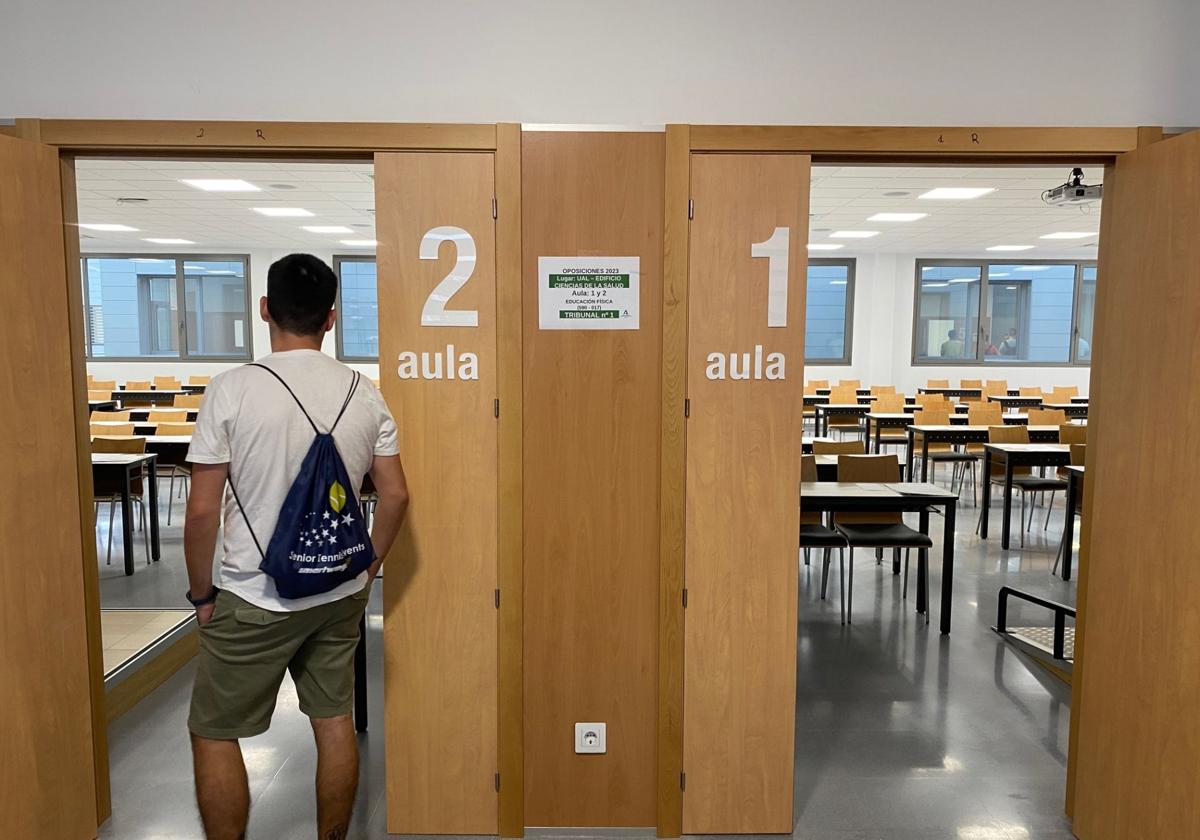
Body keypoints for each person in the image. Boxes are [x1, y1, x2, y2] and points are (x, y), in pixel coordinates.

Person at [183, 253, 409, 840]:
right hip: (337, 588)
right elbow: (396, 496)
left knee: (214, 729)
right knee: (334, 720)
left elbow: (203, 510)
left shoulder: (231, 390)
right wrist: (367, 572)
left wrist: (202, 594)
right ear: (330, 318)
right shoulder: (365, 393)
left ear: (265, 310)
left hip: (254, 595)